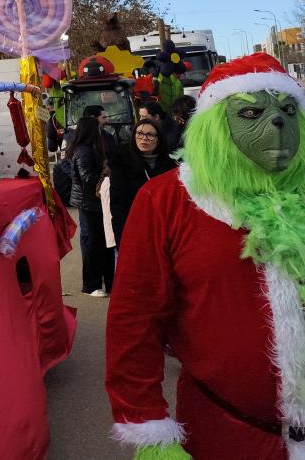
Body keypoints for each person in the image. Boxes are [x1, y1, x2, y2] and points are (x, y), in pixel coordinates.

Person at [106, 53, 305, 458]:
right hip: (225, 433)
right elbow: (135, 318)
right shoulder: (167, 199)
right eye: (250, 112)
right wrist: (147, 427)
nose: (278, 122)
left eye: (288, 110)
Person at [107, 120, 176, 246]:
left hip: (164, 229)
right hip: (134, 227)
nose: (144, 138)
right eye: (139, 133)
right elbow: (118, 207)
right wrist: (122, 240)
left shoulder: (169, 165)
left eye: (150, 135)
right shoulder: (122, 163)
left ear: (158, 139)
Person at [68, 114, 113, 296]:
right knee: (92, 241)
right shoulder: (83, 151)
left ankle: (102, 279)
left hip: (95, 201)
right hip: (88, 202)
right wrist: (107, 178)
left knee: (101, 240)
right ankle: (91, 284)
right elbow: (87, 176)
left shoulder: (90, 148)